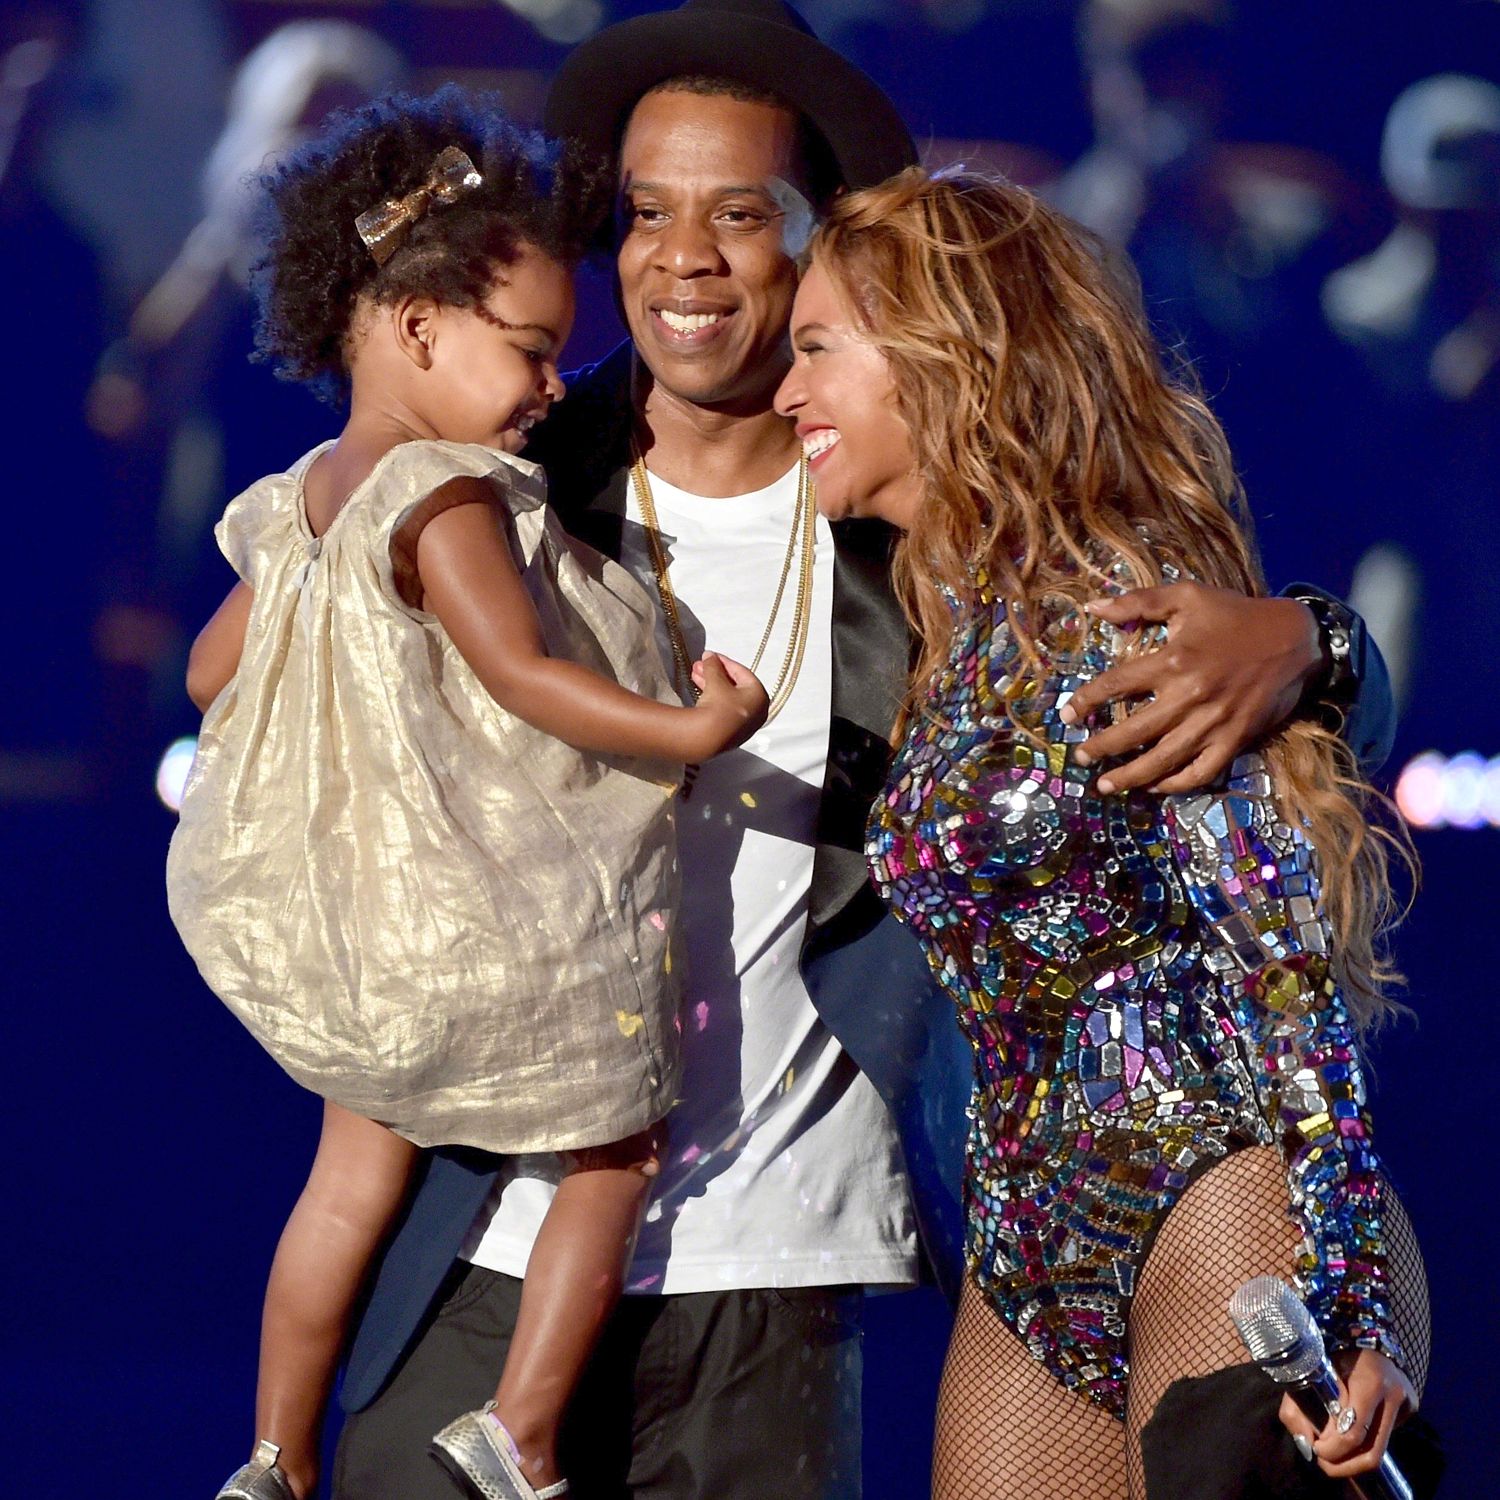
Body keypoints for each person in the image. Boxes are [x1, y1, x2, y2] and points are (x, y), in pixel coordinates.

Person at [333, 6, 1399, 1496]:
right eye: (644, 212)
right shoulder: (508, 493)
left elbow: (1267, 852)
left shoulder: (922, 549)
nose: (683, 257)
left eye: (740, 216)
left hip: (809, 1252)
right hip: (504, 1228)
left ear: (822, 254)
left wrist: (1318, 644)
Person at [775, 167, 1432, 1499]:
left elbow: (1283, 962)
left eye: (816, 349)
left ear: (934, 353)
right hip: (1028, 1247)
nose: (787, 393)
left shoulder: (1115, 604)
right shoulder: (956, 627)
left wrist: (1348, 1286)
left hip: (1225, 1192)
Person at [166, 87, 767, 1500]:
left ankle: (273, 1453)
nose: (553, 385)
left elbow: (206, 675)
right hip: (482, 909)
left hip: (366, 929)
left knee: (344, 1182)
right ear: (422, 330)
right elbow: (520, 674)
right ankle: (523, 1429)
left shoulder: (305, 496)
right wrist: (686, 732)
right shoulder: (450, 493)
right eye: (534, 351)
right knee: (617, 1142)